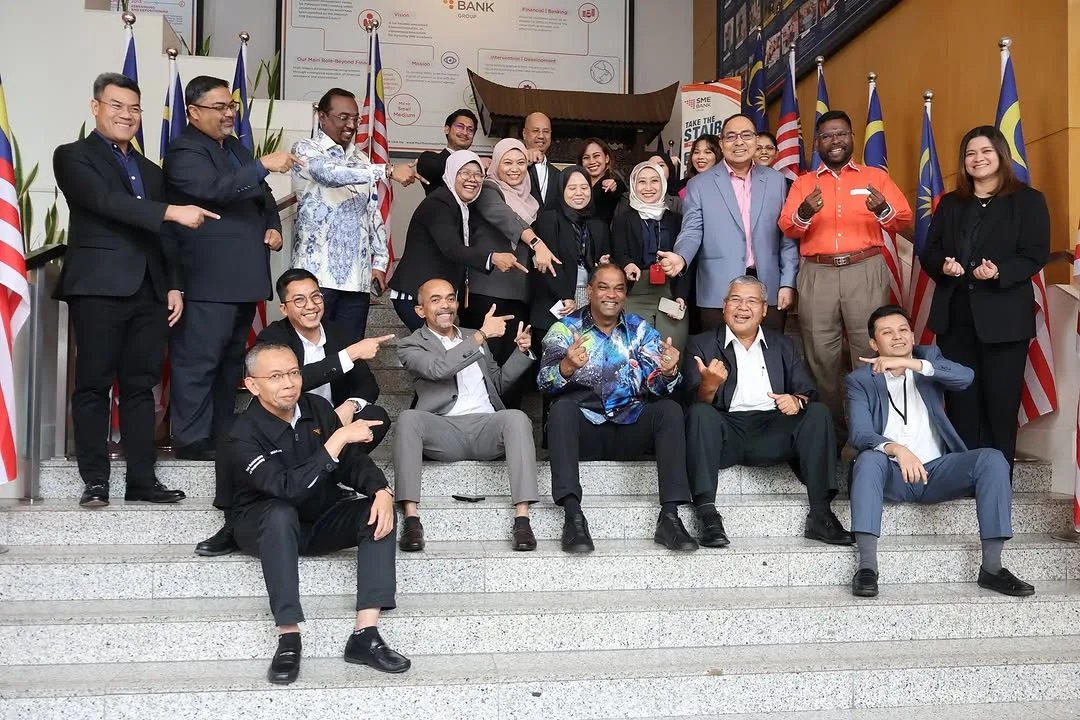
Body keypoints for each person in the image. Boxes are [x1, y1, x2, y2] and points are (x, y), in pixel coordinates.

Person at [53, 72, 214, 507]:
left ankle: (142, 479)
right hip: (98, 287)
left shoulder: (150, 171)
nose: (126, 115)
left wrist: (175, 285)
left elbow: (166, 237)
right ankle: (95, 480)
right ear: (96, 107)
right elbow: (105, 202)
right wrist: (172, 211)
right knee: (93, 384)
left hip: (150, 291)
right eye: (116, 105)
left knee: (141, 387)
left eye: (134, 108)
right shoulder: (73, 156)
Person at [226, 343, 409, 684]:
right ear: (252, 385)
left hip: (317, 519)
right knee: (280, 512)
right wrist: (336, 440)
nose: (289, 383)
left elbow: (351, 462)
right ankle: (288, 637)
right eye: (276, 376)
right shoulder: (242, 433)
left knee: (377, 512)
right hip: (264, 526)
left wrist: (381, 490)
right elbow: (285, 488)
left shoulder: (316, 408)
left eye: (294, 373)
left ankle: (365, 635)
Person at [195, 269, 395, 557]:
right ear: (284, 308)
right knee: (232, 430)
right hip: (282, 426)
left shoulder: (337, 332)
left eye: (316, 297)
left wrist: (350, 406)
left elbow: (368, 385)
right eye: (299, 300)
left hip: (326, 422)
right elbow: (293, 382)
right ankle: (232, 524)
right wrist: (348, 356)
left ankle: (328, 481)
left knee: (377, 416)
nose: (310, 306)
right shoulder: (273, 337)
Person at [846, 305, 1032, 599]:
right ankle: (867, 567)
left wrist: (910, 364)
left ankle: (992, 568)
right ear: (874, 343)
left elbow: (965, 377)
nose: (898, 337)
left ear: (912, 335)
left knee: (993, 459)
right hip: (890, 473)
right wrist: (897, 449)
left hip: (935, 472)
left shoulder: (928, 360)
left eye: (903, 330)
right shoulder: (860, 380)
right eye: (887, 332)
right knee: (868, 460)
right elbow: (860, 433)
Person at [163, 75, 300, 461]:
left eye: (232, 106)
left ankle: (220, 436)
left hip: (243, 278)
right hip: (207, 279)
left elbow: (264, 196)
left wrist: (273, 225)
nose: (229, 114)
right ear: (193, 112)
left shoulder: (236, 147)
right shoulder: (184, 152)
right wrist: (261, 164)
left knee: (228, 364)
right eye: (219, 107)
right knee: (199, 362)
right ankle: (191, 440)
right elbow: (214, 189)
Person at [538, 264, 698, 554]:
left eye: (619, 288)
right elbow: (543, 382)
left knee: (670, 410)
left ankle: (670, 518)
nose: (611, 295)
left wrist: (669, 372)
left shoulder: (641, 330)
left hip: (629, 428)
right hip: (583, 433)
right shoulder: (565, 329)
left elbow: (659, 388)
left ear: (625, 294)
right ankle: (573, 517)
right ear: (589, 291)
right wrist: (567, 366)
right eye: (603, 287)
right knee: (561, 410)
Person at [682, 276, 853, 548]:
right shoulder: (700, 344)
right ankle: (707, 515)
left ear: (764, 310)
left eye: (751, 301)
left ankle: (821, 515)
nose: (742, 307)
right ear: (724, 306)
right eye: (735, 300)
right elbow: (692, 403)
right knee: (700, 415)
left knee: (818, 413)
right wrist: (709, 385)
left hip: (772, 429)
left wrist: (795, 401)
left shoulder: (783, 345)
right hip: (725, 432)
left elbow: (807, 391)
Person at [919, 126, 1050, 472]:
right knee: (961, 403)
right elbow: (929, 251)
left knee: (1000, 404)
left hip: (1005, 321)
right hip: (955, 319)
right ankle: (963, 476)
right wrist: (943, 266)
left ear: (1001, 155)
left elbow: (1035, 254)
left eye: (985, 151)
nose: (977, 159)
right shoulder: (951, 203)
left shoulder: (1028, 200)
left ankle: (997, 480)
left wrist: (999, 272)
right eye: (970, 154)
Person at [777, 109, 913, 443]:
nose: (834, 141)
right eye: (827, 136)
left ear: (852, 138)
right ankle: (833, 434)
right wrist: (804, 213)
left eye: (841, 134)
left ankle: (872, 433)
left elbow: (905, 220)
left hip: (864, 268)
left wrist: (882, 209)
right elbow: (787, 226)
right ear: (817, 143)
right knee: (820, 355)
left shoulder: (874, 177)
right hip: (817, 272)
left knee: (870, 350)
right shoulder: (804, 183)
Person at [393, 279, 540, 552]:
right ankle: (411, 519)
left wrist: (520, 354)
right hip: (444, 431)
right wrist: (481, 336)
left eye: (450, 298)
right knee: (408, 419)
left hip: (486, 427)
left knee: (517, 418)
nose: (445, 305)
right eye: (435, 300)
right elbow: (438, 369)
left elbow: (496, 383)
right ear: (420, 310)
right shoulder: (410, 345)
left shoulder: (472, 336)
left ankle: (522, 520)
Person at [290, 88, 423, 342]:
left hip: (357, 281)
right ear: (322, 117)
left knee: (351, 354)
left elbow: (372, 213)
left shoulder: (363, 160)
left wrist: (380, 263)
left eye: (355, 118)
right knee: (313, 352)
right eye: (343, 118)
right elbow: (329, 174)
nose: (351, 125)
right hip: (315, 280)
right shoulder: (305, 149)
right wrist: (387, 170)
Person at [660, 113, 797, 334]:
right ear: (721, 143)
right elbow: (692, 230)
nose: (739, 142)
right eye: (731, 136)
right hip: (718, 289)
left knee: (770, 351)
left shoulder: (776, 181)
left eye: (746, 135)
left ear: (756, 140)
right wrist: (681, 257)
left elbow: (786, 237)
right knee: (718, 352)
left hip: (768, 288)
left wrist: (788, 283)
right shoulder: (699, 184)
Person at [459, 137, 561, 408]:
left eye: (520, 163)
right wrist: (537, 243)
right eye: (507, 162)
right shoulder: (487, 189)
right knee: (485, 358)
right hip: (486, 291)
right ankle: (479, 417)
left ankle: (509, 420)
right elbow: (506, 217)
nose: (515, 169)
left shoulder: (531, 199)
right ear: (496, 163)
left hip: (520, 292)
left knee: (515, 356)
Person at [388, 150, 499, 331]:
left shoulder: (460, 205)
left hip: (436, 297)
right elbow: (452, 249)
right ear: (452, 173)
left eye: (478, 175)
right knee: (436, 345)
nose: (472, 179)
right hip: (415, 295)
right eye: (465, 173)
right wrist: (492, 258)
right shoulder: (440, 202)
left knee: (439, 346)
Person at [612, 161, 690, 350]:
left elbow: (687, 258)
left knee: (671, 351)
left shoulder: (677, 220)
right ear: (633, 185)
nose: (648, 187)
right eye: (642, 182)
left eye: (654, 181)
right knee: (636, 351)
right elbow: (619, 252)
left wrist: (681, 295)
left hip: (670, 293)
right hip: (635, 292)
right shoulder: (623, 219)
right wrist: (628, 264)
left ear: (663, 184)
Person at [529, 165, 612, 338]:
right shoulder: (548, 219)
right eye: (572, 188)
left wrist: (603, 264)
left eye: (584, 187)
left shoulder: (599, 225)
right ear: (562, 191)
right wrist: (566, 296)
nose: (579, 193)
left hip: (589, 300)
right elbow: (549, 263)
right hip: (556, 301)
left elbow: (605, 261)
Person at [417, 108, 478, 196]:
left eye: (470, 130)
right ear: (447, 129)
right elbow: (435, 168)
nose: (465, 132)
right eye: (460, 126)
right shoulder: (429, 160)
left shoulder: (478, 165)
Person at [577, 137, 626, 225]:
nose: (592, 161)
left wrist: (613, 186)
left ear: (606, 158)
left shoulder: (614, 184)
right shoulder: (577, 186)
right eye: (586, 157)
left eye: (596, 156)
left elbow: (618, 189)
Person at [523, 112, 559, 211]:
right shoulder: (513, 168)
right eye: (535, 130)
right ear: (524, 134)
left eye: (546, 131)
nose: (541, 136)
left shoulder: (558, 175)